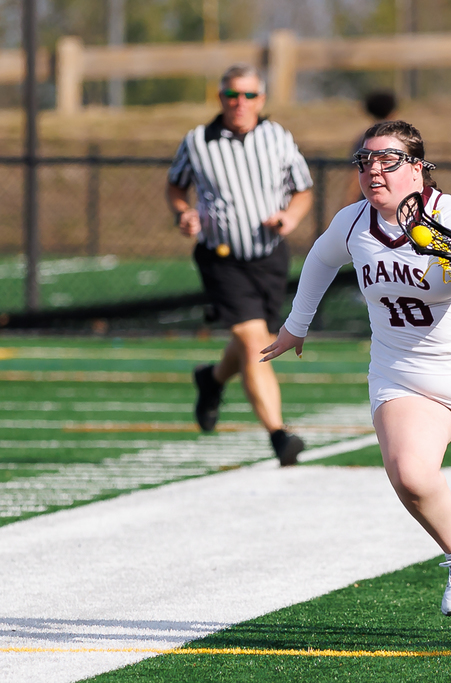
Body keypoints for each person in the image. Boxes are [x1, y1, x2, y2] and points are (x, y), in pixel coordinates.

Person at [260, 120, 451, 636]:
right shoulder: (354, 222)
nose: (374, 170)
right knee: (409, 473)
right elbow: (319, 259)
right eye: (366, 160)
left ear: (419, 167)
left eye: (388, 160)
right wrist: (296, 326)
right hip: (405, 371)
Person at [166, 63, 313, 467]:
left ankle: (211, 380)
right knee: (254, 344)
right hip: (222, 258)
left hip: (268, 256)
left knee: (253, 338)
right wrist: (184, 213)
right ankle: (280, 437)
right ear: (221, 98)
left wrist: (290, 218)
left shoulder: (278, 137)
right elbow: (176, 186)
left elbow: (302, 190)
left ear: (261, 99)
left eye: (249, 95)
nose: (240, 103)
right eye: (233, 95)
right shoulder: (198, 141)